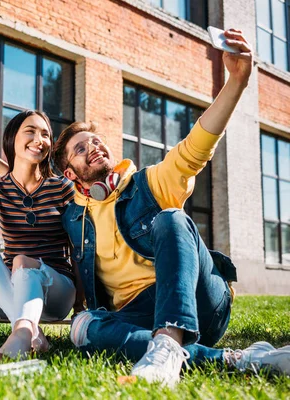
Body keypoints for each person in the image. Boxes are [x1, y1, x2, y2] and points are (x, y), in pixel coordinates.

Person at [52, 29, 290, 386]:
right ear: (70, 173)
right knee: (84, 327)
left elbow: (196, 147)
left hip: (198, 301)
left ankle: (167, 341)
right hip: (136, 315)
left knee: (171, 218)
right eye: (81, 149)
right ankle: (240, 360)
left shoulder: (148, 183)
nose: (94, 147)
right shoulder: (74, 218)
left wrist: (237, 83)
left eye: (96, 141)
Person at [0, 111, 77, 359]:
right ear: (13, 138)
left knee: (22, 261)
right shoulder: (0, 187)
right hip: (9, 294)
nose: (40, 139)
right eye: (31, 131)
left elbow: (78, 247)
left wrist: (81, 308)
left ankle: (23, 335)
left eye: (45, 134)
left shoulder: (62, 187)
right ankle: (30, 331)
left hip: (56, 293)